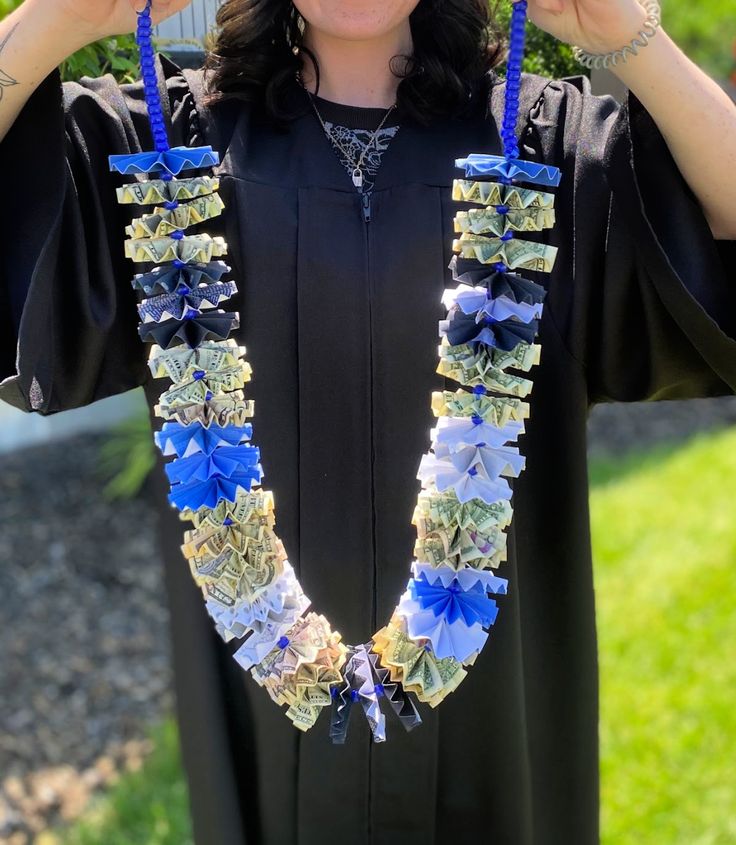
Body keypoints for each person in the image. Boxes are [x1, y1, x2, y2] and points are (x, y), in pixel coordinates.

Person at [1, 0, 735, 842]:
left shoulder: (538, 144)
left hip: (498, 721)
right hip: (262, 720)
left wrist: (631, 42)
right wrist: (61, 18)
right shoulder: (162, 145)